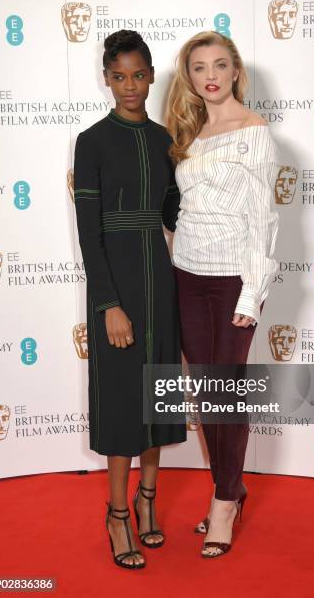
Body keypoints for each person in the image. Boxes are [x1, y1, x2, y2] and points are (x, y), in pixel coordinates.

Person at [73, 30, 186, 570]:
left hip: (159, 284)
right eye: (119, 76)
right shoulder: (92, 141)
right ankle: (117, 514)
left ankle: (147, 501)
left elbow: (172, 216)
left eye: (139, 75)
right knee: (122, 401)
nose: (130, 87)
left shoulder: (165, 138)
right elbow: (88, 235)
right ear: (106, 78)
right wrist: (108, 304)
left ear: (151, 75)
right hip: (115, 288)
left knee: (156, 395)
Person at [166, 31, 279, 558]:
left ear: (235, 71)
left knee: (225, 394)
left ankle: (224, 503)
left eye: (219, 65)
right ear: (188, 77)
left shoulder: (254, 132)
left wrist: (250, 295)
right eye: (198, 68)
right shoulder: (186, 132)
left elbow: (263, 220)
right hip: (186, 274)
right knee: (205, 395)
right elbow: (182, 209)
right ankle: (229, 487)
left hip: (234, 278)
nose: (209, 75)